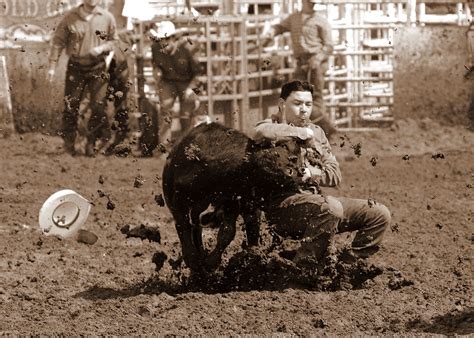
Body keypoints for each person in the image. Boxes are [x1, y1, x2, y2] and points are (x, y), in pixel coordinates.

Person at [253, 80, 391, 271]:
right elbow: (259, 132)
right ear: (282, 104)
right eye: (297, 104)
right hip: (283, 208)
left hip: (316, 203)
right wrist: (300, 133)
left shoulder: (317, 133)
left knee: (378, 213)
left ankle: (347, 265)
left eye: (308, 105)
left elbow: (335, 174)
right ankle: (303, 267)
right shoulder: (271, 127)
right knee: (331, 208)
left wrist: (312, 174)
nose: (304, 110)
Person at [48, 0, 118, 156]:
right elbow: (58, 42)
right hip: (76, 67)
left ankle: (91, 142)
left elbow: (114, 41)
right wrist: (52, 67)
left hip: (97, 67)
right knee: (71, 106)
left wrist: (102, 48)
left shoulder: (107, 17)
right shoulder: (70, 17)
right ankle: (68, 145)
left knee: (99, 106)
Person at [263, 0, 337, 139]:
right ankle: (313, 129)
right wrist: (272, 32)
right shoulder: (294, 18)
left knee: (315, 96)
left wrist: (318, 58)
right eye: (310, 2)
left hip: (315, 62)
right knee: (296, 94)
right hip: (301, 62)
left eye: (313, 3)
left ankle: (323, 131)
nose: (312, 5)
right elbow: (280, 27)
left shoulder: (321, 21)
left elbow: (329, 45)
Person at [150, 20, 202, 143]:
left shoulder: (187, 49)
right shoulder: (155, 49)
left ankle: (187, 145)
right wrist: (156, 73)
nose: (164, 42)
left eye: (167, 39)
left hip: (187, 82)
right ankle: (163, 146)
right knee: (165, 109)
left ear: (174, 38)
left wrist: (191, 88)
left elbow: (198, 72)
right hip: (167, 80)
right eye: (161, 39)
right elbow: (156, 66)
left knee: (186, 114)